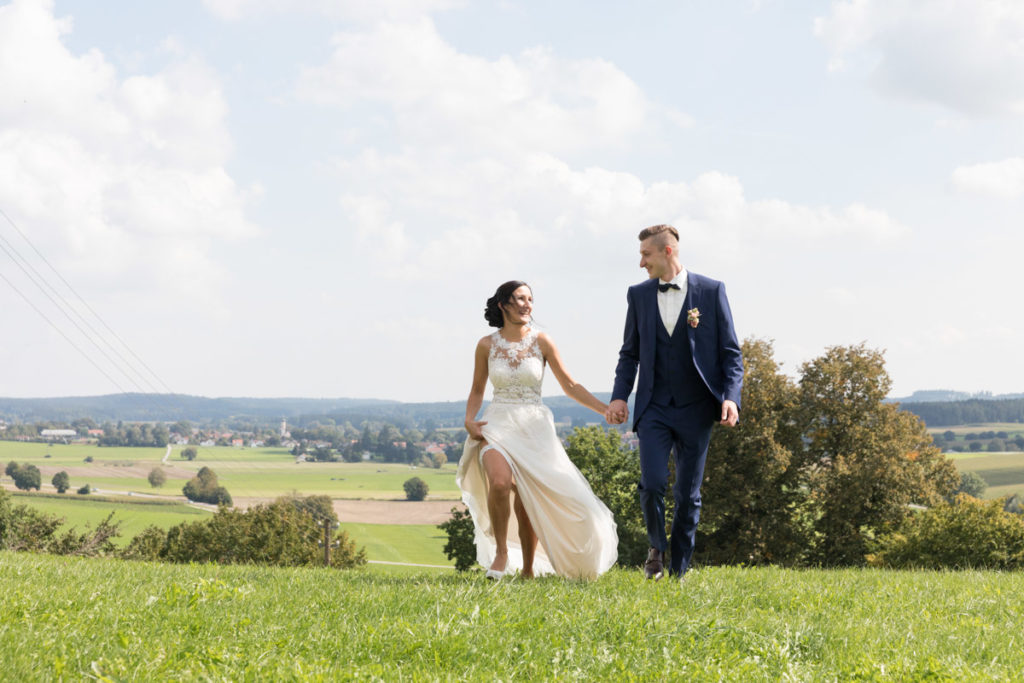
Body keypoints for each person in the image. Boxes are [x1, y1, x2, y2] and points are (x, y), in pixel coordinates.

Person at [605, 225, 743, 581]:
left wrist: (731, 398)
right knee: (651, 484)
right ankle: (657, 549)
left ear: (667, 251)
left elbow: (730, 353)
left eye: (645, 255)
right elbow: (629, 353)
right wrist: (620, 395)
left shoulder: (711, 292)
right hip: (653, 407)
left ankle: (680, 570)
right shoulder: (637, 295)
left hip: (697, 408)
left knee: (687, 494)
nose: (640, 263)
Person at [457, 280, 618, 579]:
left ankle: (529, 569)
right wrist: (469, 419)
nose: (527, 304)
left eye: (530, 299)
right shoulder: (486, 345)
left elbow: (569, 385)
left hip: (535, 429)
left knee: (529, 497)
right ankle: (502, 555)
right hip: (497, 425)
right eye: (519, 298)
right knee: (501, 483)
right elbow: (478, 388)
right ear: (503, 304)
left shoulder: (542, 341)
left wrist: (604, 409)